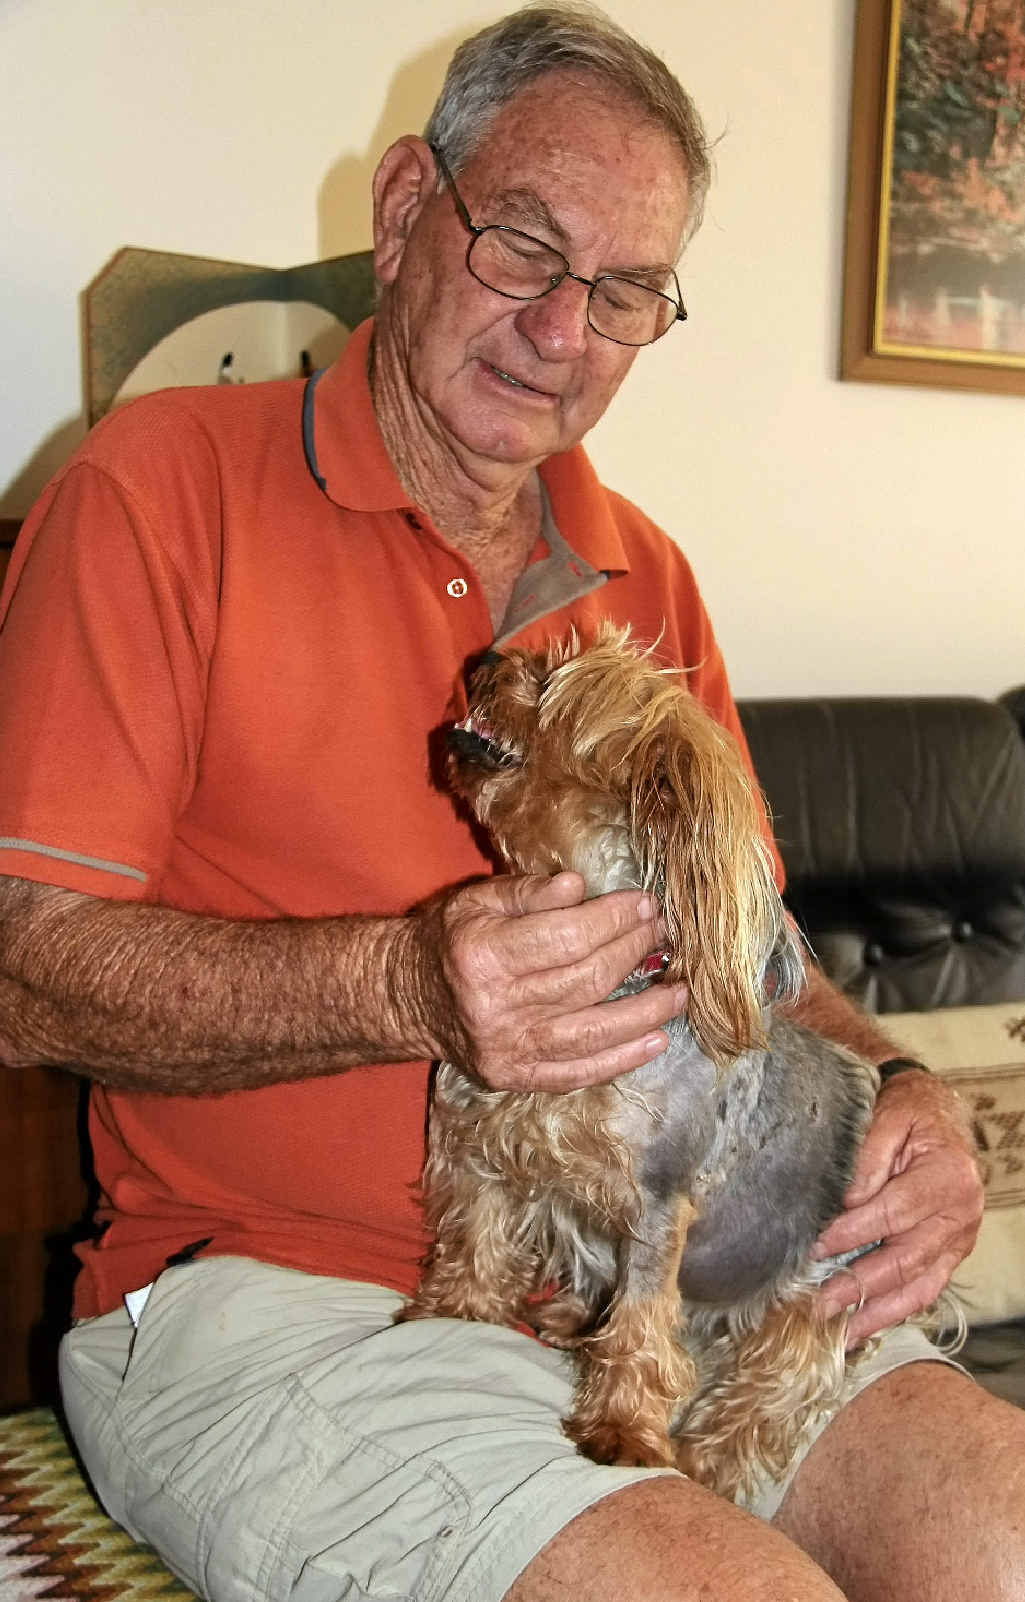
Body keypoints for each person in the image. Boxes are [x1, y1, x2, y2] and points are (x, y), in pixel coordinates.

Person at [0, 6, 1020, 1600]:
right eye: (524, 248)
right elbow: (21, 970)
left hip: (661, 1287)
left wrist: (901, 1086)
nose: (564, 328)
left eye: (623, 291)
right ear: (407, 209)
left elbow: (750, 961)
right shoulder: (150, 488)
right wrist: (402, 980)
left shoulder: (647, 577)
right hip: (269, 1301)